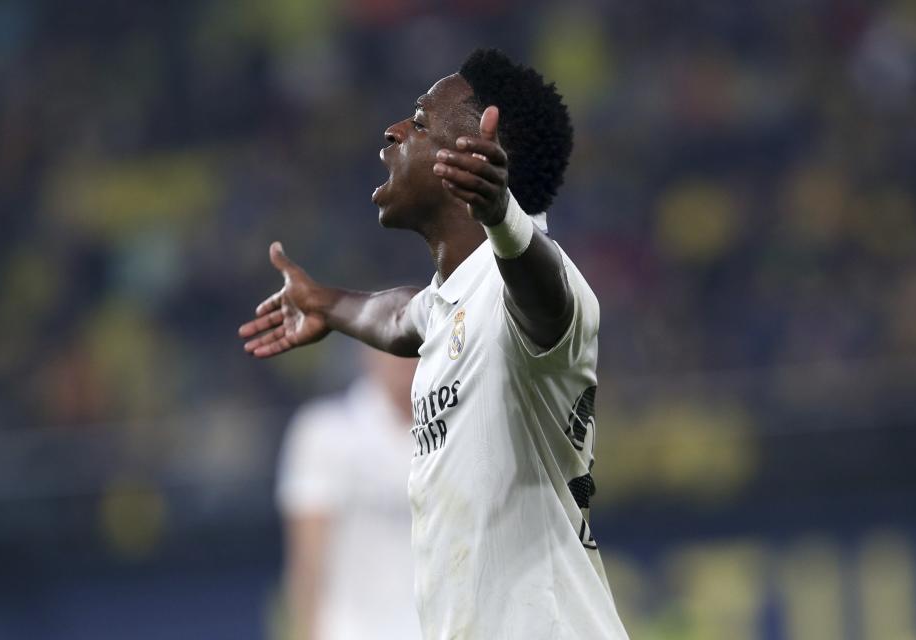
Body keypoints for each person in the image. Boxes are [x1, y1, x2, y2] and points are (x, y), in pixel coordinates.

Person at [241, 48, 628, 639]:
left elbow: (546, 299)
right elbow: (402, 318)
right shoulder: (453, 300)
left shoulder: (533, 289)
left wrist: (502, 215)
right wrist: (328, 305)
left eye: (420, 123)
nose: (394, 131)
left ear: (475, 157)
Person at [276, 348, 420, 640]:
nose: (405, 356)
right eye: (395, 342)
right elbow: (307, 566)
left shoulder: (460, 436)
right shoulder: (323, 432)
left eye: (416, 342)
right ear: (366, 347)